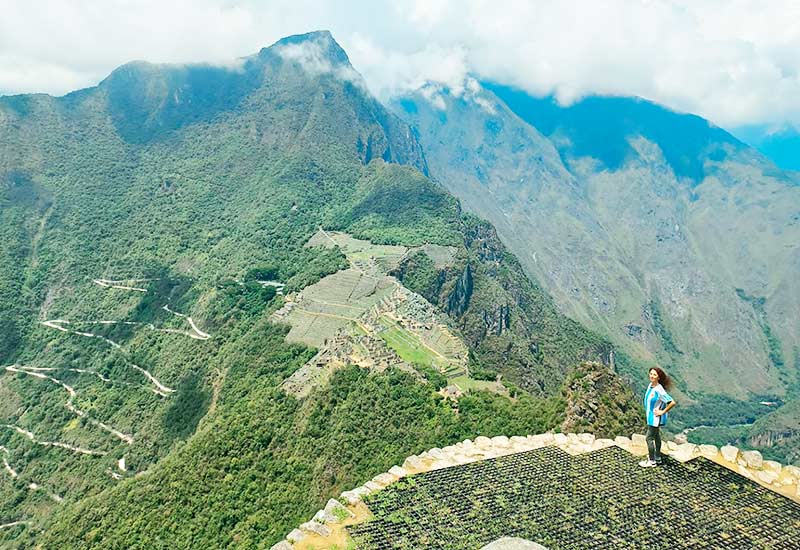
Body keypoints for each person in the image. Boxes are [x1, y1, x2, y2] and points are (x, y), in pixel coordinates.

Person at [639, 367, 676, 467]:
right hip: (650, 417)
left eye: (654, 375)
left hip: (654, 419)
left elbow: (672, 402)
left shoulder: (659, 390)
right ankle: (658, 457)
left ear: (658, 377)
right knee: (656, 436)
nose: (652, 376)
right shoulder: (651, 385)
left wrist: (662, 412)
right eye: (651, 373)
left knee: (648, 438)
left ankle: (652, 461)